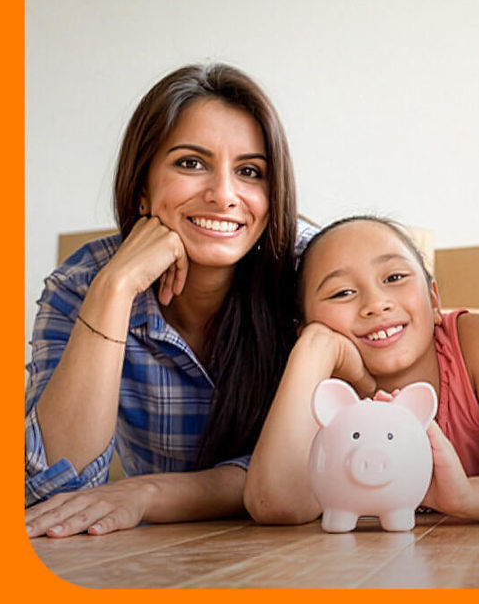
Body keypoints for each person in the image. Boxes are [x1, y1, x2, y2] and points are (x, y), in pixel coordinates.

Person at [25, 63, 310, 537]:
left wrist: (150, 493)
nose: (224, 195)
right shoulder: (83, 283)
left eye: (249, 171)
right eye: (191, 163)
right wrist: (114, 291)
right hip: (157, 558)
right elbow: (50, 491)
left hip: (298, 550)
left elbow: (326, 463)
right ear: (141, 187)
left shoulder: (308, 271)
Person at [244, 216, 479, 523]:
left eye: (394, 278)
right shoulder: (320, 387)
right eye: (342, 293)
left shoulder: (472, 340)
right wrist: (316, 348)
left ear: (434, 300)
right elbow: (276, 504)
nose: (376, 303)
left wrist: (465, 497)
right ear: (304, 328)